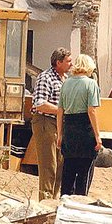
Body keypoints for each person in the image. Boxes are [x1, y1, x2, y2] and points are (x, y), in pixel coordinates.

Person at [56, 54, 103, 197]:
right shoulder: (91, 84)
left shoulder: (66, 83)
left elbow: (60, 111)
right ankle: (80, 200)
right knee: (84, 170)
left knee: (68, 169)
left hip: (69, 126)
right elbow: (91, 110)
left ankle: (64, 199)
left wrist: (60, 134)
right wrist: (97, 135)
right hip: (85, 127)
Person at [31, 48, 72, 199]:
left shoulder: (65, 79)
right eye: (68, 61)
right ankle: (45, 201)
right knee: (49, 165)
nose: (71, 64)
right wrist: (62, 111)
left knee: (60, 164)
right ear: (58, 62)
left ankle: (53, 200)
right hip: (45, 122)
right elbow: (39, 104)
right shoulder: (46, 77)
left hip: (60, 124)